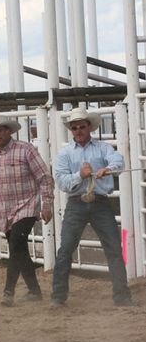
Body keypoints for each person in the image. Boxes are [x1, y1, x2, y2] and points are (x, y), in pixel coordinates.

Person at [51, 109, 135, 307]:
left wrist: (109, 168)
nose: (78, 130)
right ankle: (57, 296)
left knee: (113, 247)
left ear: (89, 127)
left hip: (99, 202)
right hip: (77, 202)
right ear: (71, 130)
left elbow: (118, 161)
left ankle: (122, 296)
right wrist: (80, 175)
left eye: (82, 126)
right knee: (65, 250)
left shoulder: (103, 148)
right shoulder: (64, 153)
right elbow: (62, 182)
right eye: (75, 127)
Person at [0, 114, 54, 306]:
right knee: (19, 250)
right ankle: (34, 291)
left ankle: (8, 292)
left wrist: (46, 205)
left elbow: (44, 177)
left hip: (27, 206)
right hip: (4, 211)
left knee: (16, 242)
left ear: (8, 130)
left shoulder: (25, 150)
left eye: (0, 130)